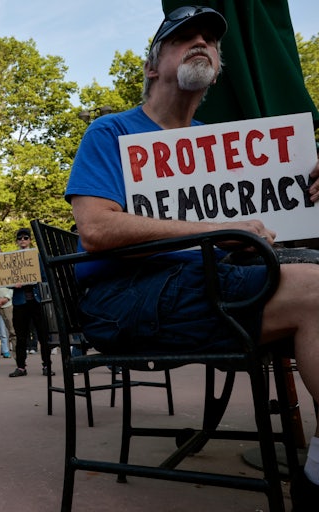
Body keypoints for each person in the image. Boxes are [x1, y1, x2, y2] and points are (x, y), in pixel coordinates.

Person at [64, 6, 319, 511]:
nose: (201, 41)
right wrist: (216, 230)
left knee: (309, 279)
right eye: (183, 37)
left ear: (219, 69)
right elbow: (94, 229)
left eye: (211, 39)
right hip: (124, 299)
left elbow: (271, 232)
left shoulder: (234, 150)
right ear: (152, 67)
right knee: (314, 291)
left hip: (210, 285)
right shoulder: (111, 133)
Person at [8, 228, 54, 377]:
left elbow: (45, 277)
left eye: (25, 238)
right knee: (20, 336)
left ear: (29, 240)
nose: (22, 240)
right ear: (17, 241)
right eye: (20, 238)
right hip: (20, 302)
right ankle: (21, 367)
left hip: (36, 300)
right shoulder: (11, 258)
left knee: (43, 334)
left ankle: (47, 365)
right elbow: (6, 280)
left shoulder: (37, 256)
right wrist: (13, 284)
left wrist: (35, 280)